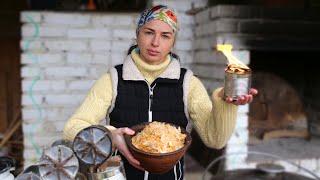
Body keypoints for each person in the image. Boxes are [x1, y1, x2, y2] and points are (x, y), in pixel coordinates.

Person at [63, 4, 258, 180]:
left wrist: (225, 104)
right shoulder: (113, 79)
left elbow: (215, 139)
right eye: (149, 32)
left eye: (165, 36)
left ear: (173, 43)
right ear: (138, 33)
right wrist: (108, 136)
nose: (155, 42)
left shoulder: (188, 83)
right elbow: (73, 127)